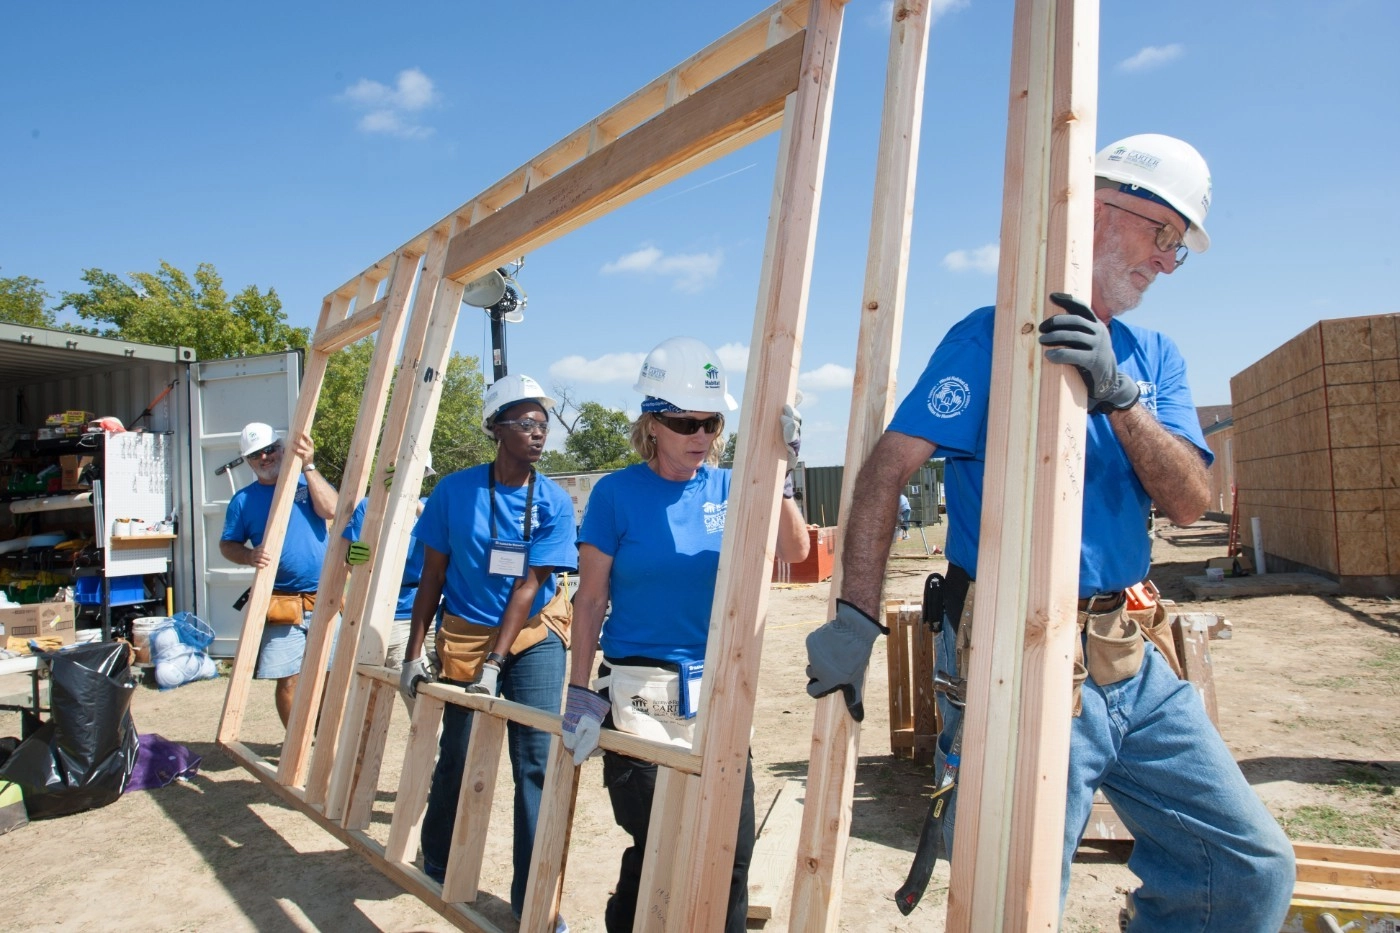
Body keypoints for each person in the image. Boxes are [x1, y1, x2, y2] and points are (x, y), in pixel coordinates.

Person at [803, 134, 1295, 931]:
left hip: (1127, 652)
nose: (1169, 262)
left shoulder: (1153, 356)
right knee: (1017, 898)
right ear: (1102, 208)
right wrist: (857, 616)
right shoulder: (991, 338)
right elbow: (886, 470)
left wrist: (1118, 391)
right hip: (1010, 651)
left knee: (1247, 867)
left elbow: (1191, 501)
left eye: (1179, 248)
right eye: (1164, 235)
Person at [559, 336, 811, 933]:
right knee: (661, 842)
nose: (700, 435)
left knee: (731, 849)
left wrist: (780, 473)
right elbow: (591, 599)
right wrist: (579, 692)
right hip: (640, 688)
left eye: (711, 421)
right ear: (653, 422)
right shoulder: (616, 495)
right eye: (686, 422)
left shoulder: (733, 487)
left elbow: (796, 551)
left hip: (718, 690)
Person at [397, 373, 575, 930]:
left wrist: (496, 665)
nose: (537, 433)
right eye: (524, 423)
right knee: (460, 753)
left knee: (536, 763)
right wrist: (412, 651)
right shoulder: (455, 491)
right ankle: (441, 861)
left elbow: (529, 585)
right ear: (495, 429)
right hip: (467, 633)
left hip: (532, 635)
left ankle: (534, 904)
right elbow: (432, 576)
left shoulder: (552, 500)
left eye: (543, 424)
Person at [219, 422, 338, 727]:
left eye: (271, 449)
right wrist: (248, 555)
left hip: (322, 597)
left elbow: (332, 509)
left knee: (328, 674)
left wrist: (309, 465)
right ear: (248, 461)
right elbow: (227, 544)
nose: (266, 457)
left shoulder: (303, 484)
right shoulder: (243, 501)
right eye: (257, 454)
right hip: (280, 602)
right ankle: (295, 744)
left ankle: (320, 734)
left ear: (282, 449)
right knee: (288, 679)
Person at [342, 453, 435, 702]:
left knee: (444, 687)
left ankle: (442, 741)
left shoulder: (428, 506)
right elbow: (350, 559)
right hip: (394, 612)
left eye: (420, 474)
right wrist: (353, 559)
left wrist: (409, 499)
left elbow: (444, 533)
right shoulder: (369, 507)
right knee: (416, 691)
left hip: (435, 610)